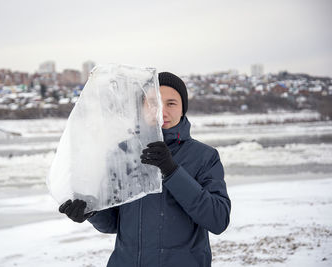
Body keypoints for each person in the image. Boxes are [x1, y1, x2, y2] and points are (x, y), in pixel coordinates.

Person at [59, 72, 231, 267]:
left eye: (171, 103)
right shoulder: (122, 153)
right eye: (153, 102)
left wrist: (173, 171)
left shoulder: (204, 157)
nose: (161, 111)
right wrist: (91, 212)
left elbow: (218, 220)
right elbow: (113, 223)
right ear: (140, 108)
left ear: (183, 109)